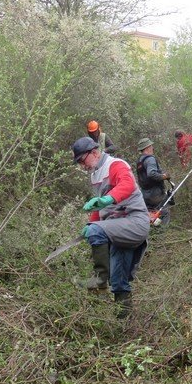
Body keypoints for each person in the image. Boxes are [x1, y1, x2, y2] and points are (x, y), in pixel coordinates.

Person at [72, 136, 149, 318]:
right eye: (79, 163)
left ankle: (99, 281)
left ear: (95, 153)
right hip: (118, 226)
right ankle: (124, 324)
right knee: (119, 281)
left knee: (95, 231)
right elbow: (99, 207)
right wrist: (90, 223)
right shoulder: (95, 175)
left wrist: (108, 200)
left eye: (83, 160)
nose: (82, 166)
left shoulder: (115, 164)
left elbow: (127, 184)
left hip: (134, 221)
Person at [135, 137, 171, 224]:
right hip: (155, 194)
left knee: (151, 214)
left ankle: (152, 232)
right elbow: (151, 173)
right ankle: (162, 233)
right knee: (164, 212)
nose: (152, 148)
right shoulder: (150, 159)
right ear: (147, 148)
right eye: (151, 146)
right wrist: (164, 176)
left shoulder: (140, 160)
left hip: (145, 194)